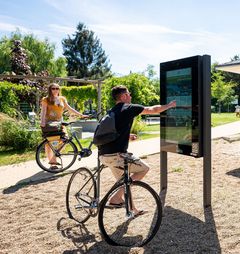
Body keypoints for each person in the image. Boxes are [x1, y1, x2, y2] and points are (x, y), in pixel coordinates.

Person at [98, 85, 176, 215]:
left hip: (104, 156)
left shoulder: (111, 111)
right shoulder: (129, 108)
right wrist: (169, 105)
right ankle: (116, 197)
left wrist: (126, 136)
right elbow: (153, 109)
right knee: (144, 168)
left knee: (125, 181)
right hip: (118, 156)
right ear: (123, 96)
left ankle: (132, 209)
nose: (131, 96)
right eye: (129, 94)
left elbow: (111, 132)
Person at [40, 83, 88, 169]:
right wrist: (42, 122)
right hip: (50, 124)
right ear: (50, 90)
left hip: (59, 123)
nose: (55, 90)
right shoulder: (46, 100)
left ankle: (54, 157)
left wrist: (81, 115)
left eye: (57, 88)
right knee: (50, 143)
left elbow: (69, 108)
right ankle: (53, 163)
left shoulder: (62, 99)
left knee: (65, 140)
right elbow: (43, 112)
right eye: (53, 88)